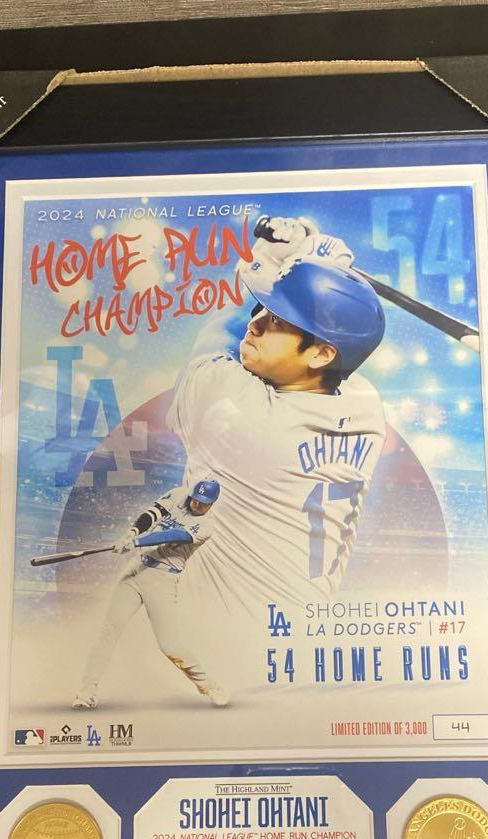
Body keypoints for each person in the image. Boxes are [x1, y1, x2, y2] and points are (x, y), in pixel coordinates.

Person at [168, 215, 387, 619]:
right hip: (300, 635)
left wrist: (273, 257)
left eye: (277, 321)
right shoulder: (365, 408)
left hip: (219, 634)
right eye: (262, 310)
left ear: (322, 353)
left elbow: (223, 332)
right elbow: (350, 337)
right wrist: (316, 277)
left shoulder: (238, 410)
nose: (255, 324)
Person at [71, 478, 229, 709]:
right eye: (195, 498)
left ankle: (209, 686)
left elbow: (171, 535)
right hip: (137, 568)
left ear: (212, 503)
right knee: (109, 631)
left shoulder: (206, 526)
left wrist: (136, 541)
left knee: (170, 646)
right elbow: (152, 513)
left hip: (162, 579)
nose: (196, 504)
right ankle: (86, 693)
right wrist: (132, 532)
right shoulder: (179, 494)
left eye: (202, 502)